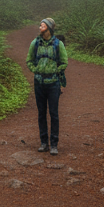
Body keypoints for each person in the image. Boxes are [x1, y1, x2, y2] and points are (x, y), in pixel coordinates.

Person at [26, 17, 68, 155]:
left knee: (54, 114)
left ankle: (54, 144)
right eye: (40, 25)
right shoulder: (35, 43)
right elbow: (29, 60)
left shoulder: (58, 44)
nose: (40, 27)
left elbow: (64, 62)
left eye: (42, 25)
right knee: (41, 114)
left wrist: (55, 71)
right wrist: (36, 70)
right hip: (39, 83)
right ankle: (44, 143)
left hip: (53, 84)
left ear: (49, 28)